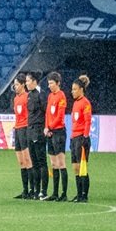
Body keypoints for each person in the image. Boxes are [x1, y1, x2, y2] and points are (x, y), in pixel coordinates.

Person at [44, 71, 68, 201]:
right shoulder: (50, 96)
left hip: (58, 132)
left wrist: (50, 127)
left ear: (58, 83)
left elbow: (60, 116)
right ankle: (55, 193)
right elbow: (48, 113)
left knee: (61, 163)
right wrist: (47, 127)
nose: (49, 85)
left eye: (51, 83)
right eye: (48, 83)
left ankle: (63, 194)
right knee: (53, 164)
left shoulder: (61, 96)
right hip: (50, 132)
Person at [25, 71, 48, 201]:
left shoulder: (42, 95)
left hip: (38, 131)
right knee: (34, 162)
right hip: (30, 130)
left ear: (34, 81)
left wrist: (45, 127)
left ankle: (43, 191)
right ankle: (35, 190)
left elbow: (46, 113)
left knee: (41, 162)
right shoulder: (29, 95)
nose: (26, 83)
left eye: (28, 81)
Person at [69, 75, 92, 203]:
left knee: (82, 167)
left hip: (81, 139)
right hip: (74, 138)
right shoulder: (75, 103)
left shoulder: (85, 103)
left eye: (75, 89)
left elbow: (88, 121)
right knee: (76, 168)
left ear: (81, 89)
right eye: (72, 89)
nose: (72, 91)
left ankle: (84, 195)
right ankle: (78, 194)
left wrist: (85, 136)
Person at [10, 74, 34, 199]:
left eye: (17, 84)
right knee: (20, 161)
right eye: (14, 84)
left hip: (25, 128)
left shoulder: (27, 97)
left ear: (23, 84)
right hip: (18, 129)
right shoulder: (16, 98)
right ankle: (25, 190)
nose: (15, 86)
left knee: (27, 160)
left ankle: (32, 189)